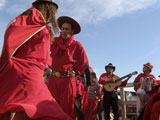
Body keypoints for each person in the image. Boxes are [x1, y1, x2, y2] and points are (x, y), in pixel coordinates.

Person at [0, 0, 72, 120]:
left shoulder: (37, 24)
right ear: (48, 9)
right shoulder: (32, 20)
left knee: (29, 109)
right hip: (28, 73)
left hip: (33, 72)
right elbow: (11, 40)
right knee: (46, 108)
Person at [47, 16, 90, 119]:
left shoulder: (77, 45)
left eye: (67, 29)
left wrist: (74, 72)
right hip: (53, 80)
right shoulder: (54, 42)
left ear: (72, 31)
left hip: (68, 80)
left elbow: (84, 62)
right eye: (62, 28)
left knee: (67, 108)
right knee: (50, 106)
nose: (63, 31)